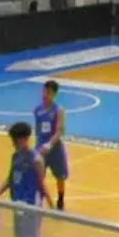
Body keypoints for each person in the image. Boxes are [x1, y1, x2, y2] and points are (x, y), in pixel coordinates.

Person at [33, 81, 68, 211]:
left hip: (55, 148)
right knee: (38, 175)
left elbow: (60, 131)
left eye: (48, 92)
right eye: (44, 91)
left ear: (54, 94)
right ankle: (39, 200)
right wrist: (38, 145)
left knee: (60, 176)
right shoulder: (37, 110)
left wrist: (49, 144)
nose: (45, 95)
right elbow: (38, 130)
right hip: (41, 148)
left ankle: (60, 198)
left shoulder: (59, 110)